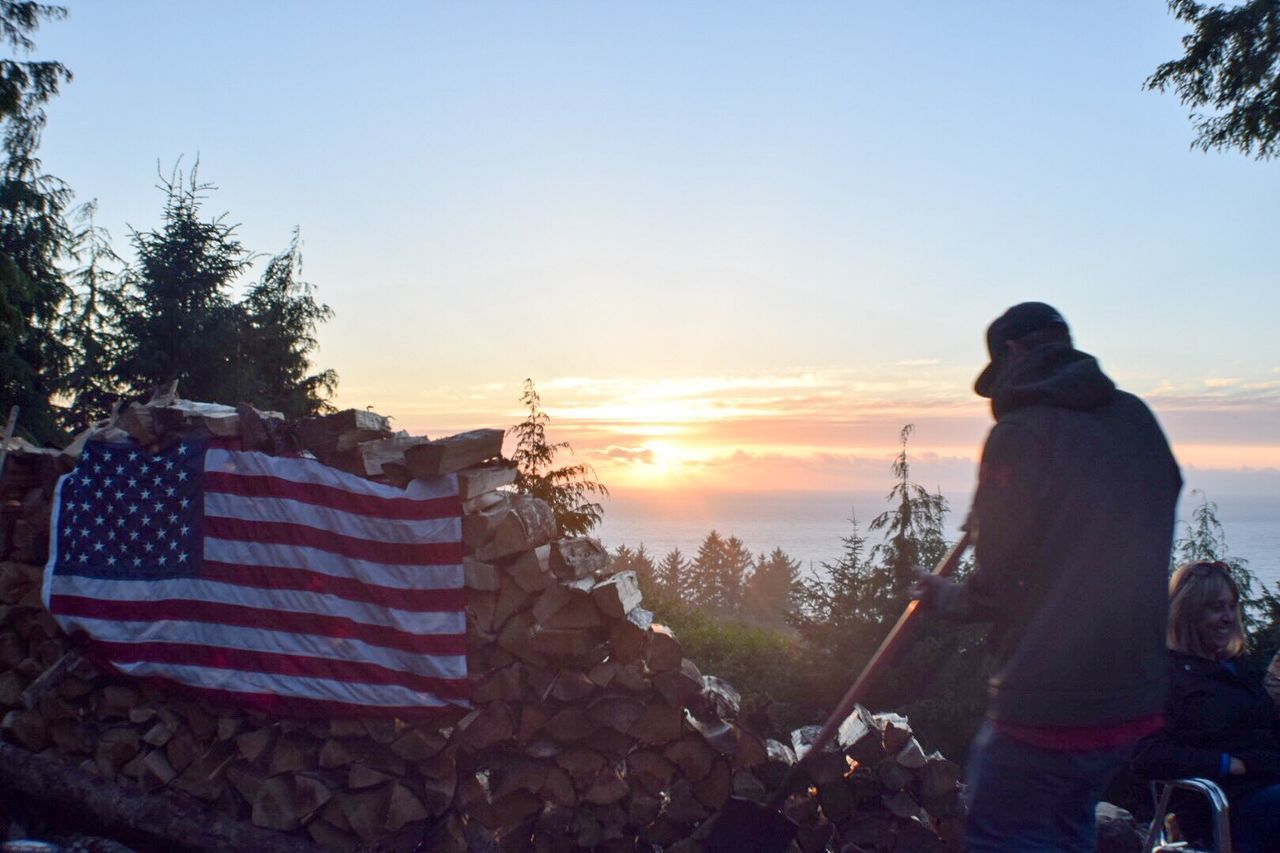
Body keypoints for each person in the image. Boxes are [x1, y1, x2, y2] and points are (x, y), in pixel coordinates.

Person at [911, 302, 1182, 851]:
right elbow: (1146, 505)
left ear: (1013, 352)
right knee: (1067, 832)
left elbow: (1000, 581)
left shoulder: (1020, 433)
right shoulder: (1136, 418)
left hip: (1047, 696)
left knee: (1002, 838)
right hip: (1131, 695)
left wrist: (946, 596)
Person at [1131, 561, 1280, 852]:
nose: (1228, 617)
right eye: (1216, 608)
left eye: (1232, 606)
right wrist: (1225, 764)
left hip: (1267, 783)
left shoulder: (1239, 669)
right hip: (1222, 805)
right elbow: (1145, 754)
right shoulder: (1167, 676)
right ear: (1188, 614)